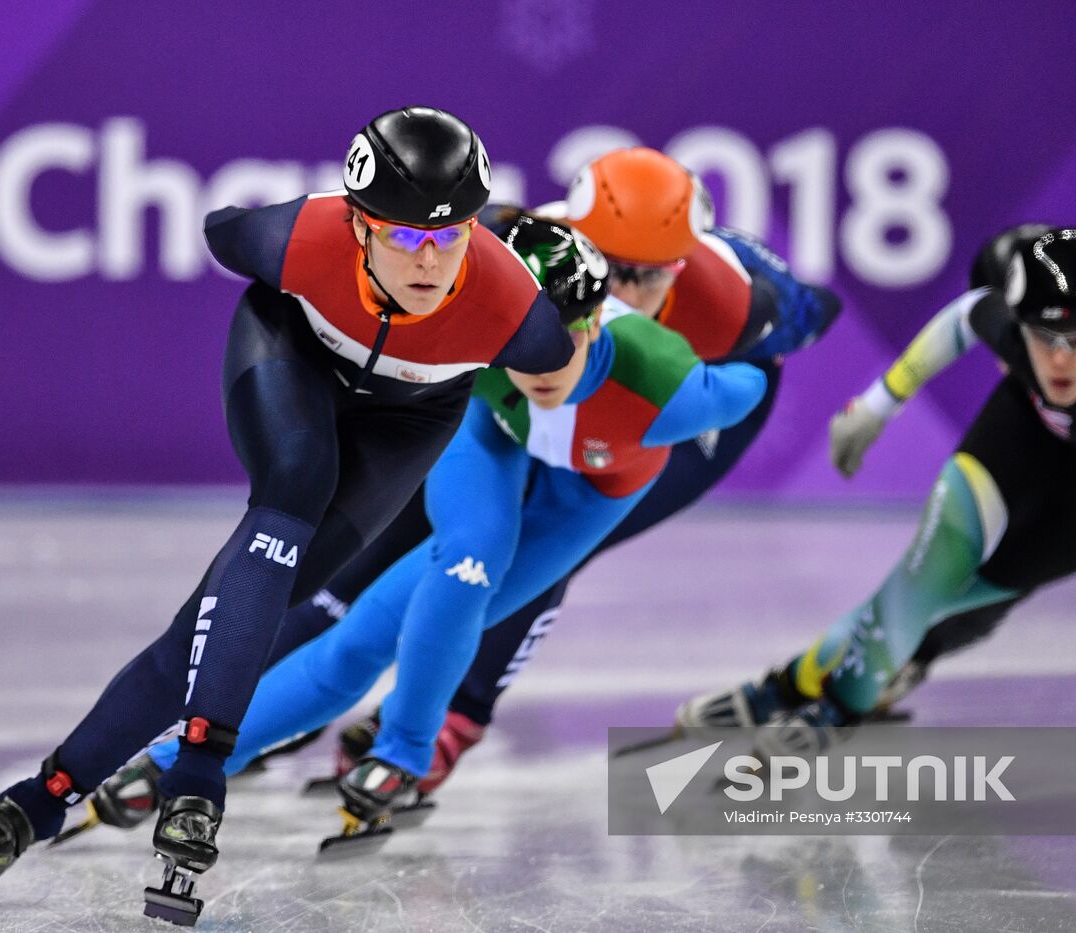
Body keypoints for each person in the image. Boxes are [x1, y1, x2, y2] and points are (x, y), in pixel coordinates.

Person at [0, 107, 575, 917]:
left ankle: (41, 796)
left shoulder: (513, 308)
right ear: (358, 224)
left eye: (449, 238)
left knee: (238, 609)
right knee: (294, 482)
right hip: (290, 354)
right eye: (403, 235)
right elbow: (218, 228)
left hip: (410, 415)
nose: (428, 258)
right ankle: (200, 771)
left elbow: (562, 362)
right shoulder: (300, 239)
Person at [145, 209, 770, 853]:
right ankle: (187, 756)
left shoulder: (668, 386)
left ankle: (402, 752)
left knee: (441, 603)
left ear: (593, 323)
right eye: (523, 345)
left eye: (564, 343)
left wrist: (757, 318)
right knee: (440, 580)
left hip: (592, 489)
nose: (540, 367)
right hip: (491, 433)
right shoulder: (471, 335)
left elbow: (752, 381)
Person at [256, 146, 841, 793]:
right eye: (609, 267)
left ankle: (456, 721)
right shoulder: (516, 242)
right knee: (416, 516)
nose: (621, 290)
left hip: (667, 405)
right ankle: (276, 694)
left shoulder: (742, 302)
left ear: (681, 265)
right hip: (547, 381)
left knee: (547, 546)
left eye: (647, 276)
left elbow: (822, 310)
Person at [676, 224, 1076, 755]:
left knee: (970, 593)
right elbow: (964, 317)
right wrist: (881, 403)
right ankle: (819, 699)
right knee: (925, 575)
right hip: (1039, 424)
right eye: (1041, 336)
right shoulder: (1018, 330)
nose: (1057, 356)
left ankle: (810, 686)